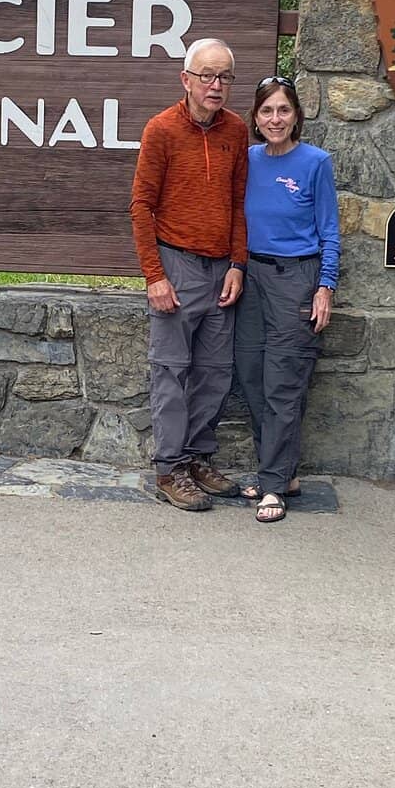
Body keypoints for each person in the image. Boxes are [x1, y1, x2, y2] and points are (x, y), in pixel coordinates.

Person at [129, 37, 249, 512]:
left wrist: (238, 264)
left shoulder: (236, 130)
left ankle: (198, 458)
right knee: (171, 372)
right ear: (186, 79)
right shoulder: (161, 129)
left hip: (221, 269)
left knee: (215, 374)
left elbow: (238, 203)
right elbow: (141, 206)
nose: (216, 85)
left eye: (224, 77)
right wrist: (154, 276)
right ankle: (169, 469)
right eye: (207, 75)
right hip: (176, 264)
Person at [234, 74, 340, 525]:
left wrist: (325, 286)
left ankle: (273, 485)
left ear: (296, 116)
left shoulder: (315, 162)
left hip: (296, 278)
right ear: (256, 118)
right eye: (267, 111)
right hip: (250, 277)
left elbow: (329, 230)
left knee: (283, 381)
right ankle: (283, 473)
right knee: (252, 376)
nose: (275, 119)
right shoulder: (247, 160)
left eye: (283, 110)